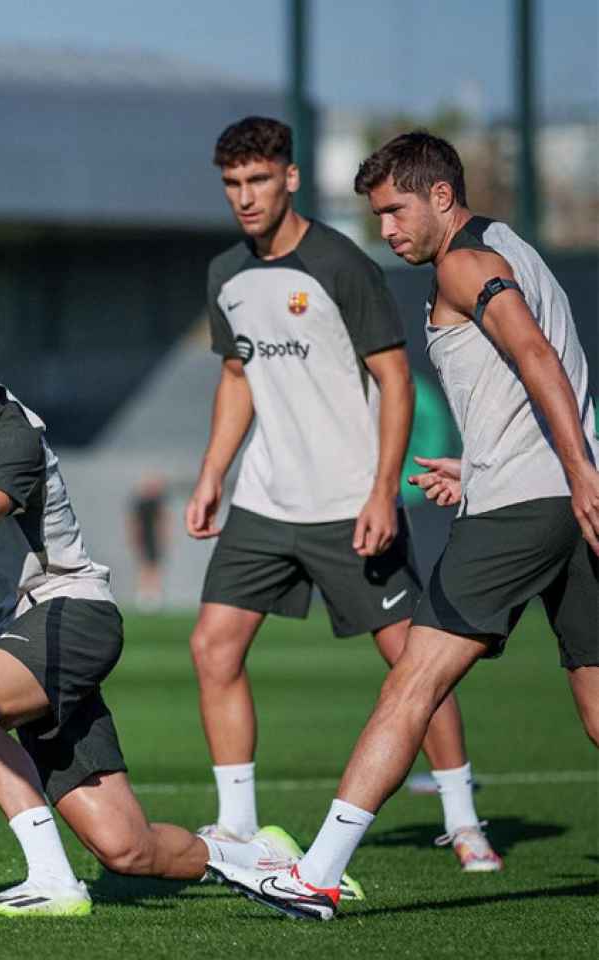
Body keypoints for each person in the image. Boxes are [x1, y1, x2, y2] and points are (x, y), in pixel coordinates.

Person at [208, 131, 598, 921]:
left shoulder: (462, 262)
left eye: (394, 210)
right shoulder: (511, 245)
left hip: (531, 506)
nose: (386, 230)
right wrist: (492, 465)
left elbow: (535, 358)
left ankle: (315, 874)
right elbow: (532, 374)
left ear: (441, 197)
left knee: (411, 683)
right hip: (560, 495)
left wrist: (572, 474)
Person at [0, 303, 288, 917]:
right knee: (128, 850)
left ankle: (52, 880)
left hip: (70, 614)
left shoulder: (13, 434)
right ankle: (265, 860)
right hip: (26, 639)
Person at [185, 117, 491, 880]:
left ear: (290, 178)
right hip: (264, 503)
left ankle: (462, 820)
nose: (245, 197)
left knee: (414, 665)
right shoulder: (226, 272)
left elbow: (393, 378)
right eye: (232, 185)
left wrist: (382, 494)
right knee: (211, 647)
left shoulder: (342, 263)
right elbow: (235, 378)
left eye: (258, 180)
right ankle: (239, 827)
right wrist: (213, 472)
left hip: (349, 504)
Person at [127, 473, 167, 611]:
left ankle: (155, 597)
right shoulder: (140, 503)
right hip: (144, 537)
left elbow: (163, 521)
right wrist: (134, 538)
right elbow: (134, 522)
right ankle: (143, 596)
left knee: (154, 566)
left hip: (154, 538)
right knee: (144, 566)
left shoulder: (158, 502)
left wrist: (164, 537)